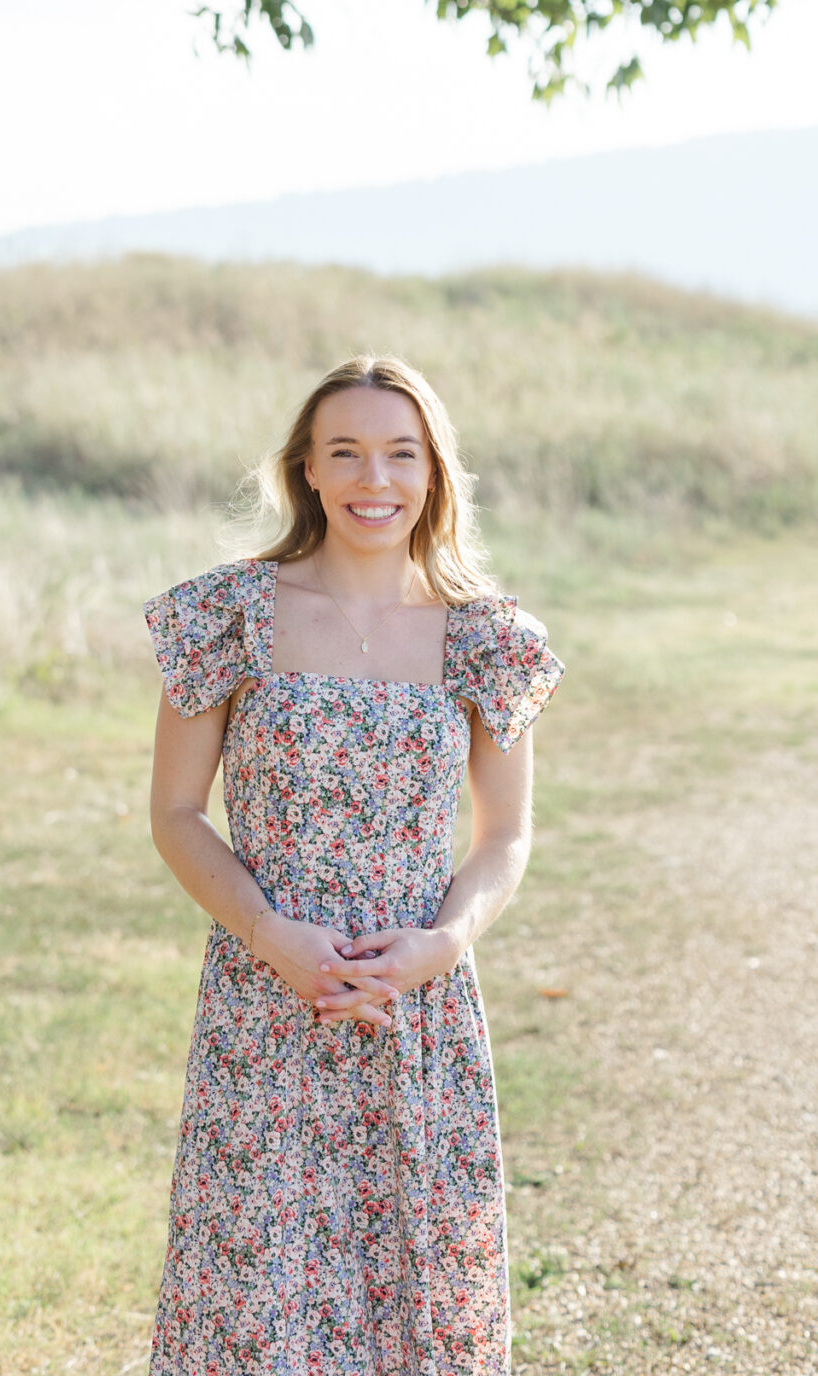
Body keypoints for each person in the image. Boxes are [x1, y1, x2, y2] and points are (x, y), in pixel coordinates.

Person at [144, 352, 563, 1376]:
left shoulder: (486, 638)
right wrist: (268, 934)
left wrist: (443, 942)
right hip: (266, 997)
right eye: (347, 453)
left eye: (399, 454)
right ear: (307, 471)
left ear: (433, 473)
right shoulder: (227, 616)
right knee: (254, 1301)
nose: (374, 479)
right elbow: (175, 813)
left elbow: (504, 834)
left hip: (415, 1002)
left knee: (421, 1298)